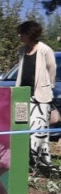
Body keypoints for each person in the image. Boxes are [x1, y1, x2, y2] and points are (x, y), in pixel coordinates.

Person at [14, 20, 60, 176]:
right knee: (21, 128)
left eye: (22, 33)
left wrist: (48, 86)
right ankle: (25, 161)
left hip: (40, 98)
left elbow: (51, 69)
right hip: (22, 96)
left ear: (30, 34)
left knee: (38, 132)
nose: (19, 36)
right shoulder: (21, 50)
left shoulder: (44, 50)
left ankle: (39, 164)